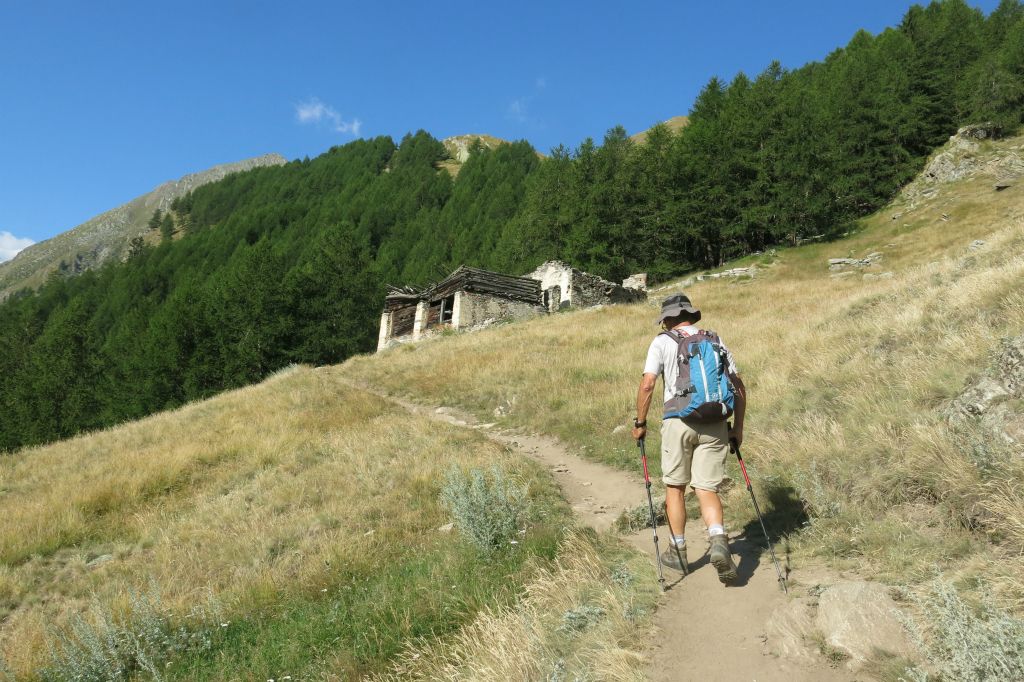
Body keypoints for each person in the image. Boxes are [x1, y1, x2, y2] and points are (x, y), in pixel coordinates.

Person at [631, 293, 747, 584]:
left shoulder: (662, 342)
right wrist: (738, 429)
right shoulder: (715, 341)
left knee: (676, 488)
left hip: (677, 421)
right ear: (691, 315)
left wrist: (640, 422)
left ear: (668, 319)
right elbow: (739, 387)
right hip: (716, 422)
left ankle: (679, 550)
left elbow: (648, 384)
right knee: (707, 489)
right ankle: (719, 541)